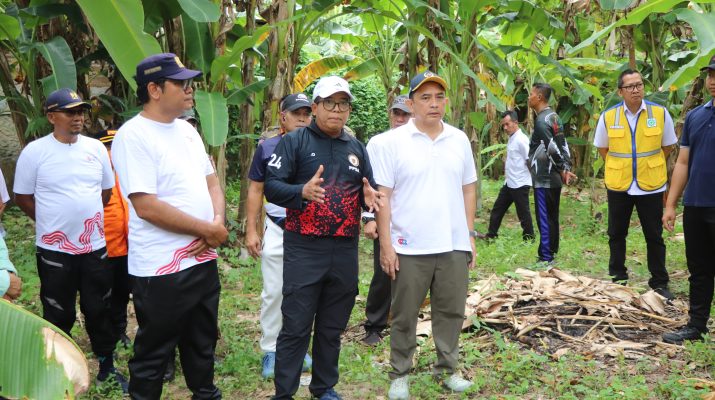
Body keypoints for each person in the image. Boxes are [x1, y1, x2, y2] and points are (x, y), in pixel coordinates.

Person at [111, 53, 228, 400]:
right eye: (180, 83)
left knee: (202, 341)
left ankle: (205, 394)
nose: (190, 89)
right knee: (155, 351)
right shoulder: (134, 136)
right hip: (162, 267)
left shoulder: (188, 131)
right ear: (154, 89)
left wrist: (217, 223)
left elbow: (212, 183)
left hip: (202, 259)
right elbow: (146, 206)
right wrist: (205, 229)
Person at [264, 75, 382, 400]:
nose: (337, 110)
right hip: (304, 246)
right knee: (296, 324)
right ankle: (284, 393)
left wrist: (369, 203)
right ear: (315, 107)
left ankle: (324, 386)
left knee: (332, 325)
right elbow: (272, 186)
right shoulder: (295, 142)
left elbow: (367, 192)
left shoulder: (356, 148)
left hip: (344, 248)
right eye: (330, 103)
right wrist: (300, 191)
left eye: (343, 104)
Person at [373, 71, 476, 400]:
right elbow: (383, 196)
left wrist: (469, 234)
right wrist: (386, 245)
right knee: (404, 313)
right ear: (411, 103)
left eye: (439, 97)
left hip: (452, 243)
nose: (434, 104)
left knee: (451, 311)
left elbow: (468, 188)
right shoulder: (392, 143)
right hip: (409, 245)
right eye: (425, 97)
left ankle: (447, 369)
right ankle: (400, 373)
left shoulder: (458, 139)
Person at [13, 88, 124, 389]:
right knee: (57, 310)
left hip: (94, 247)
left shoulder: (96, 149)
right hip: (54, 250)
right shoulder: (35, 152)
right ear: (51, 117)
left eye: (80, 112)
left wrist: (84, 217)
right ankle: (58, 371)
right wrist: (50, 222)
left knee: (99, 307)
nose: (78, 117)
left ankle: (107, 366)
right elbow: (22, 197)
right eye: (70, 112)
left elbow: (106, 192)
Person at [245, 93, 314, 379]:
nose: (302, 119)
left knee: (305, 293)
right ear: (283, 116)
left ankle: (298, 347)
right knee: (274, 291)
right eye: (296, 113)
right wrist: (251, 229)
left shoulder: (319, 145)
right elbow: (255, 189)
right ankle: (271, 349)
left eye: (307, 114)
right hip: (277, 226)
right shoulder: (268, 147)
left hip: (310, 228)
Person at [593, 69, 676, 298]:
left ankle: (659, 282)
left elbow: (667, 146)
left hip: (651, 184)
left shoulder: (659, 113)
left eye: (639, 85)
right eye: (630, 86)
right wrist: (623, 166)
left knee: (654, 235)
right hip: (620, 184)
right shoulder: (609, 117)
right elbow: (603, 148)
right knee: (616, 234)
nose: (636, 90)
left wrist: (646, 165)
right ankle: (618, 279)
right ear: (620, 92)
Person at [661, 56, 715, 344]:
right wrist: (671, 204)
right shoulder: (695, 116)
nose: (713, 81)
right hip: (695, 204)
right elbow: (682, 162)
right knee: (699, 269)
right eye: (710, 75)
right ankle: (696, 326)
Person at [361, 94, 412, 346]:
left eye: (405, 114)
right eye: (396, 113)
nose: (400, 119)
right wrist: (368, 218)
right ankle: (374, 325)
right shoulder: (378, 143)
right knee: (384, 273)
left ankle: (405, 322)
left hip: (413, 218)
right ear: (390, 115)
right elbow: (367, 184)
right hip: (385, 217)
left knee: (411, 274)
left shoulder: (421, 143)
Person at [527, 83, 576, 264]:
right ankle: (551, 252)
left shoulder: (541, 121)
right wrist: (566, 167)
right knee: (552, 216)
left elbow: (552, 148)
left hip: (544, 177)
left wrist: (562, 168)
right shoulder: (554, 117)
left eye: (531, 94)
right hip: (553, 178)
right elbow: (564, 144)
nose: (529, 97)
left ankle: (546, 256)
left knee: (544, 218)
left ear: (539, 97)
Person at [91, 130, 132, 348]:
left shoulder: (129, 173)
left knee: (122, 291)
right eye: (107, 148)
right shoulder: (93, 175)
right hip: (102, 246)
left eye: (113, 148)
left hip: (127, 246)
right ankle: (104, 337)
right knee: (102, 294)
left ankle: (120, 330)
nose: (110, 153)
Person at [479, 110, 534, 241]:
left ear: (515, 123)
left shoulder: (521, 139)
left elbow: (529, 160)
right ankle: (491, 235)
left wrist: (534, 180)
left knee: (523, 213)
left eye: (507, 124)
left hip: (520, 183)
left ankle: (529, 238)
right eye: (503, 125)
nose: (505, 127)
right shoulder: (512, 138)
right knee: (498, 209)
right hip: (510, 183)